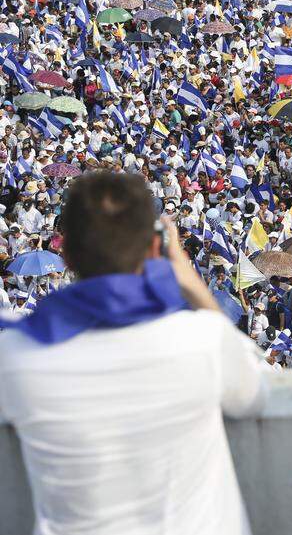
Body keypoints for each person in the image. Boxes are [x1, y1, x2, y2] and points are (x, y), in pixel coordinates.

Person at [0, 172, 266, 535]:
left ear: (64, 253)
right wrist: (188, 280)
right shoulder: (201, 337)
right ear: (156, 248)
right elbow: (254, 395)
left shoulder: (16, 355)